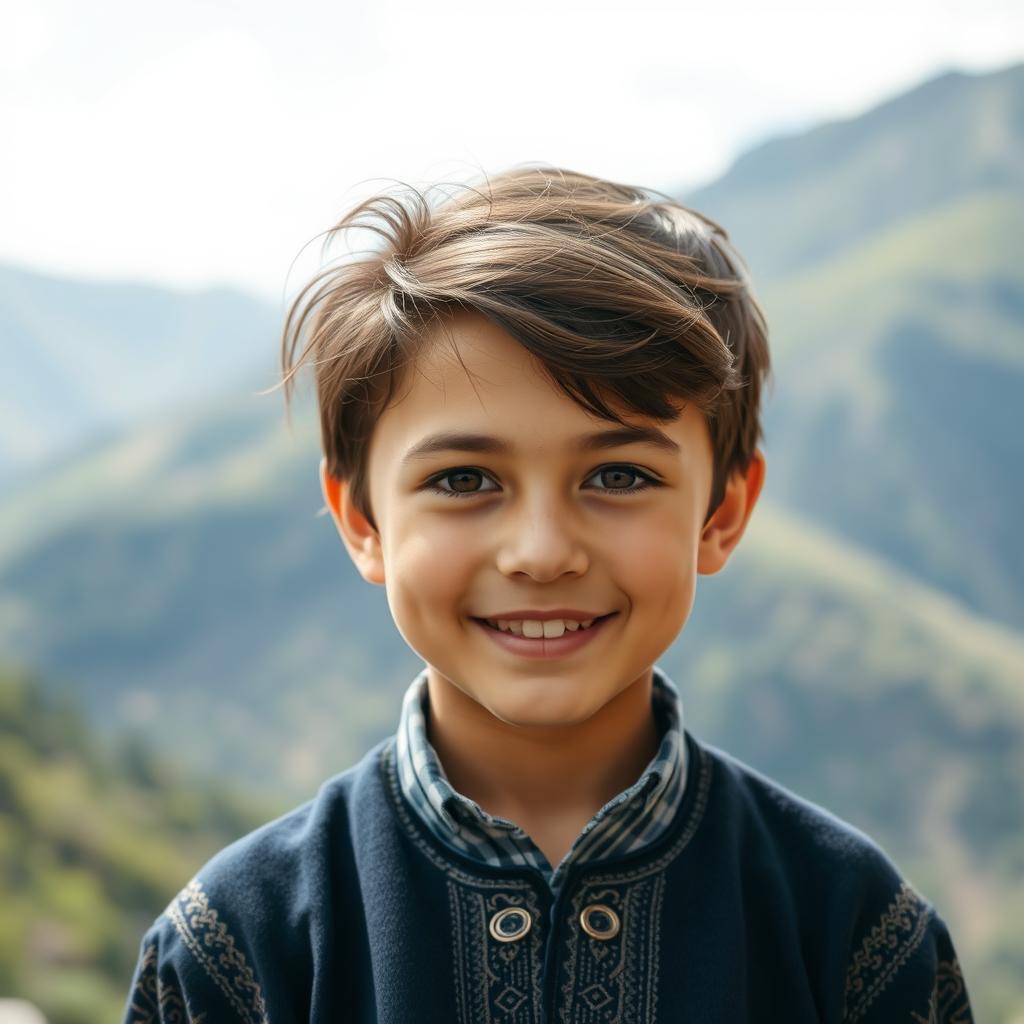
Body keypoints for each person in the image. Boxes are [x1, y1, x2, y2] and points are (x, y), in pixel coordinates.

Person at [122, 166, 974, 1022]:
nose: (541, 552)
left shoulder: (850, 929)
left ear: (721, 513)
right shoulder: (239, 949)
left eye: (617, 474)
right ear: (362, 521)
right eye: (463, 479)